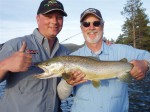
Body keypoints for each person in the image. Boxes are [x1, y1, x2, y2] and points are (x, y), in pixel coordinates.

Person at [57, 8, 150, 112]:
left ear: (102, 26)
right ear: (81, 28)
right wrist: (68, 83)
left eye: (96, 23)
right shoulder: (72, 58)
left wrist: (146, 64)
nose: (91, 27)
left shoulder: (122, 50)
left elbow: (148, 56)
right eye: (86, 24)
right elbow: (62, 96)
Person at [0, 0, 70, 112]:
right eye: (49, 16)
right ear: (37, 19)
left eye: (59, 17)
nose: (55, 21)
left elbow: (62, 92)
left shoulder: (65, 53)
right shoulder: (16, 45)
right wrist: (4, 65)